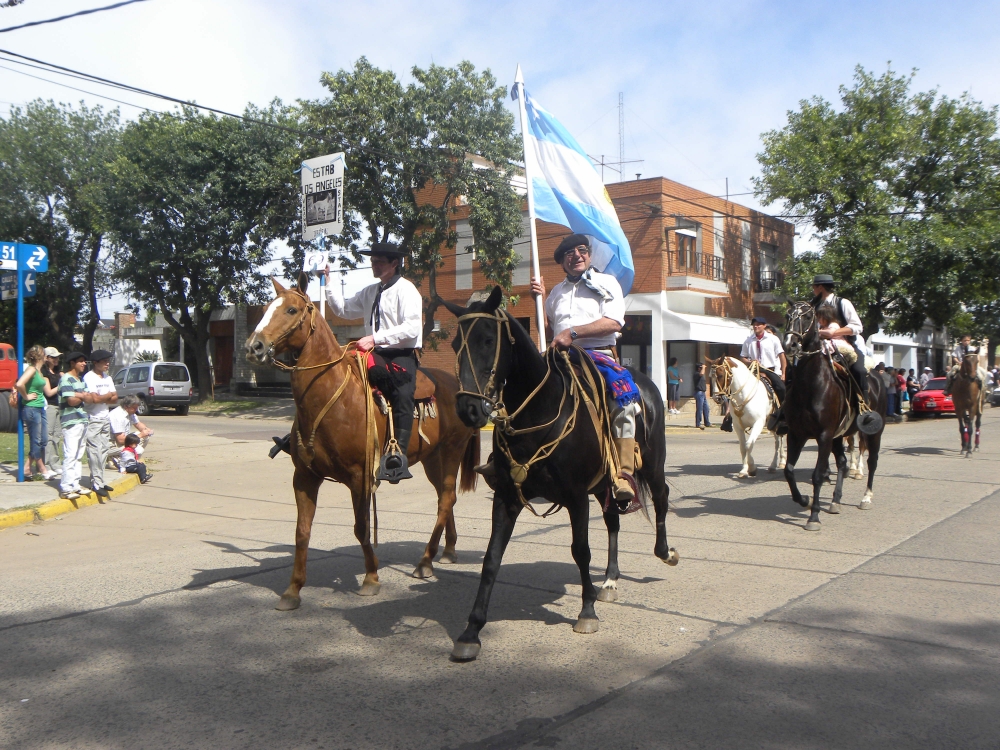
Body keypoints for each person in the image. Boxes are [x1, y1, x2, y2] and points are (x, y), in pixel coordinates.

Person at [530, 233, 640, 506]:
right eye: (569, 252)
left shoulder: (606, 282)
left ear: (589, 256)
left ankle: (624, 473)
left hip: (597, 355)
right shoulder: (556, 292)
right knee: (523, 389)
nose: (576, 255)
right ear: (562, 262)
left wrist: (573, 332)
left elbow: (614, 322)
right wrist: (540, 299)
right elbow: (546, 330)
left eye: (581, 250)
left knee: (622, 403)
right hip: (559, 356)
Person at [325, 241, 422, 482]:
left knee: (402, 392)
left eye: (379, 261)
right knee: (338, 377)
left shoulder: (407, 290)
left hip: (399, 354)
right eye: (372, 261)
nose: (374, 265)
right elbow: (343, 310)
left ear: (394, 263)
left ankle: (397, 455)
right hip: (372, 352)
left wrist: (375, 338)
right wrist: (327, 281)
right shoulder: (370, 291)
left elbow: (412, 327)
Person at [811, 274, 867, 398]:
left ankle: (864, 406)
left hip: (846, 346)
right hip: (819, 348)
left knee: (859, 371)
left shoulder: (843, 303)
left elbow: (857, 327)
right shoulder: (814, 306)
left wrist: (832, 333)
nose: (813, 290)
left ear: (820, 287)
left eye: (813, 287)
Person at [15, 345, 58, 480]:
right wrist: (26, 396)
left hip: (40, 408)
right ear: (41, 356)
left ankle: (27, 467)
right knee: (36, 440)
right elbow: (20, 384)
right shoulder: (32, 369)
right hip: (31, 408)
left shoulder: (39, 371)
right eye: (45, 354)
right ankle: (42, 468)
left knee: (44, 439)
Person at [58, 352, 95, 500]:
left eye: (84, 361)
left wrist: (79, 395)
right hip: (71, 421)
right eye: (81, 361)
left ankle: (75, 484)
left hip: (82, 420)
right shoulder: (66, 379)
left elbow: (91, 398)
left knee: (79, 455)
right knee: (70, 455)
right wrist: (82, 396)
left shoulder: (80, 380)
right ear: (72, 363)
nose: (84, 364)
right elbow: (71, 401)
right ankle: (66, 488)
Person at [741, 315, 787, 431]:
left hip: (769, 370)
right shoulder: (748, 340)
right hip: (754, 369)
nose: (756, 326)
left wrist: (783, 373)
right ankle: (733, 417)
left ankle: (784, 417)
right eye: (754, 324)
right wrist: (750, 361)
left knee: (781, 389)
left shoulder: (773, 339)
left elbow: (781, 356)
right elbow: (743, 357)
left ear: (764, 326)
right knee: (738, 387)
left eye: (758, 324)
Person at [83, 349, 118, 497]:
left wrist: (105, 396)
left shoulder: (107, 378)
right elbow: (94, 399)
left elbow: (115, 398)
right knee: (94, 451)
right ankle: (96, 483)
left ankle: (100, 480)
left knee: (104, 451)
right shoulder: (89, 378)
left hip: (105, 417)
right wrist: (108, 395)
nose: (107, 364)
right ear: (95, 362)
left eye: (108, 361)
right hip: (93, 418)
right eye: (104, 361)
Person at [41, 347, 63, 477]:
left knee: (57, 436)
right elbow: (48, 392)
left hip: (59, 406)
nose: (56, 359)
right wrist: (61, 384)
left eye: (57, 357)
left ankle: (55, 463)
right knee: (48, 436)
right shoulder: (44, 374)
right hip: (49, 406)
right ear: (47, 358)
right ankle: (46, 464)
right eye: (53, 357)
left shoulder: (58, 372)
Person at [693, 363, 711, 430]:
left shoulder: (700, 375)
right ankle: (698, 423)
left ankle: (707, 423)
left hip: (703, 393)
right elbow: (701, 373)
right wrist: (703, 367)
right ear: (698, 368)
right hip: (699, 393)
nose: (703, 369)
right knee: (699, 409)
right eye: (701, 368)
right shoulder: (696, 374)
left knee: (706, 408)